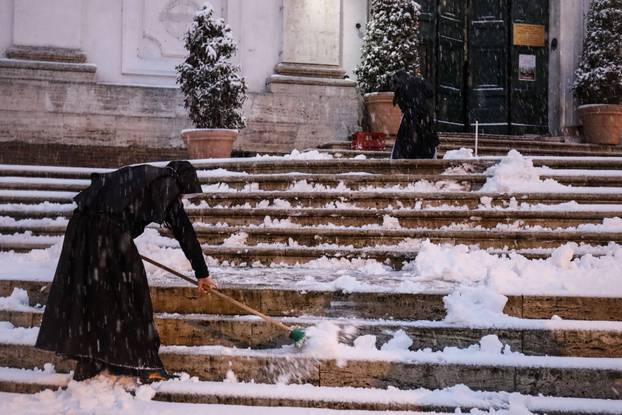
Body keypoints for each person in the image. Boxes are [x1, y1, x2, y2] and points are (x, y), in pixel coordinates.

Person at [35, 161, 216, 383]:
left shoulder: (144, 175)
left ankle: (91, 360)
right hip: (106, 232)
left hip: (82, 229)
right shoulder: (167, 183)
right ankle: (147, 365)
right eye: (183, 194)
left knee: (93, 294)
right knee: (133, 294)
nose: (179, 199)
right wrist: (202, 273)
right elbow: (184, 231)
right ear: (182, 181)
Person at [390, 70, 440, 159]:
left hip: (410, 117)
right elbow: (430, 93)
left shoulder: (401, 85)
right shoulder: (419, 81)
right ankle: (425, 158)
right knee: (425, 140)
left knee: (407, 141)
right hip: (424, 114)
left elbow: (400, 102)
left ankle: (409, 162)